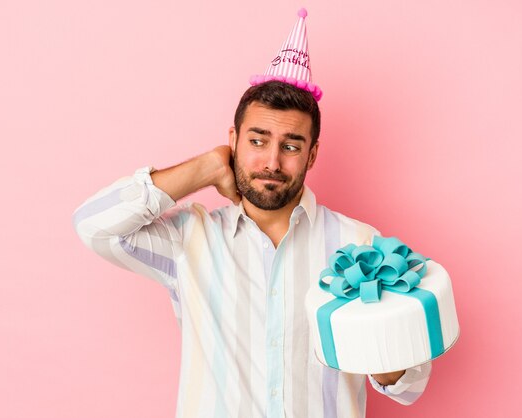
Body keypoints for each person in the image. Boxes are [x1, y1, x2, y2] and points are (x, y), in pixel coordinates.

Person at [72, 80, 432, 417]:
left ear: (312, 154)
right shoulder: (189, 238)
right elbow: (94, 225)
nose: (272, 163)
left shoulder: (361, 247)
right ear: (234, 140)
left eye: (290, 146)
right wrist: (206, 167)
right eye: (257, 141)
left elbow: (409, 386)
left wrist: (381, 340)